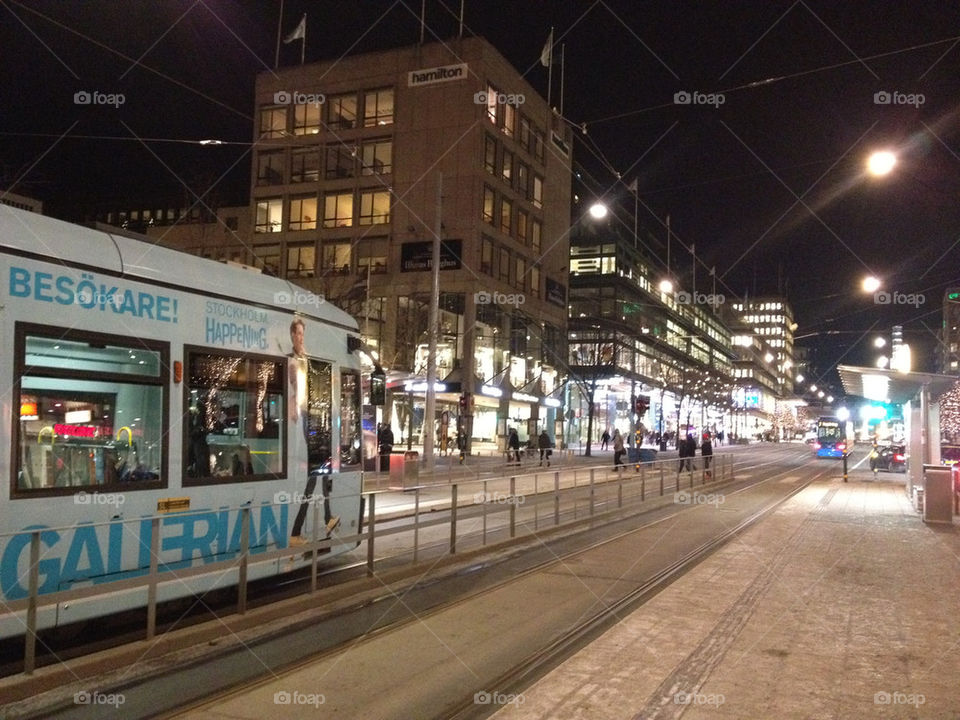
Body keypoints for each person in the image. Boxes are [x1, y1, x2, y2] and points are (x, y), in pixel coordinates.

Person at [289, 318, 338, 546]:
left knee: (320, 471)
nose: (300, 337)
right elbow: (297, 387)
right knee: (317, 471)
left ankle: (311, 524)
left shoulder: (303, 358)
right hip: (306, 419)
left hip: (314, 419)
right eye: (297, 333)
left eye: (302, 334)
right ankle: (298, 530)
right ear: (292, 335)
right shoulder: (293, 361)